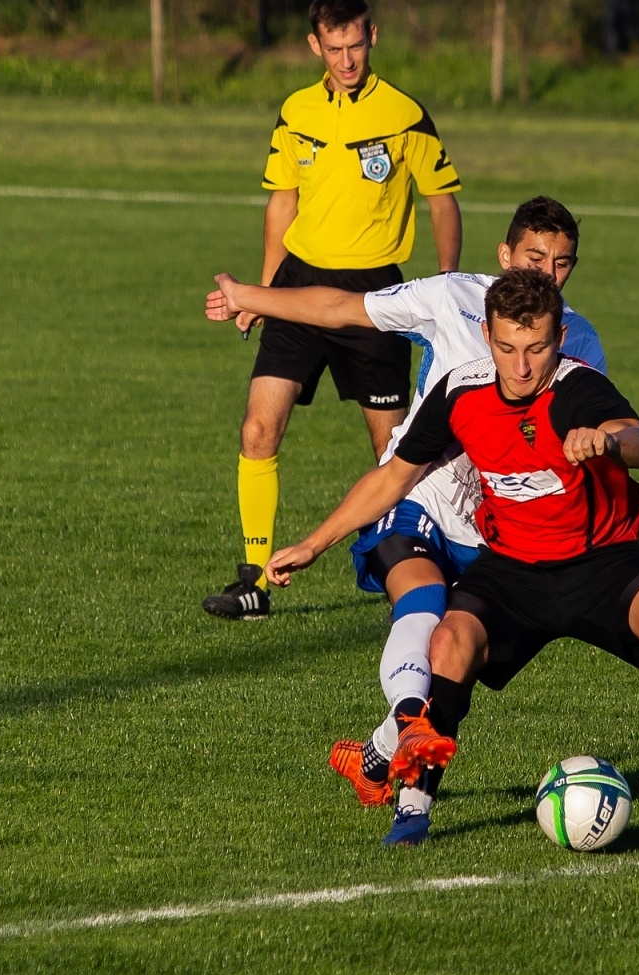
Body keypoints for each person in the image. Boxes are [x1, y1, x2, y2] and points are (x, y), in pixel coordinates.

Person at [265, 269, 639, 847]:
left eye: (536, 348)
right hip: (512, 571)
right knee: (449, 642)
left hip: (599, 562)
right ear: (486, 333)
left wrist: (609, 442)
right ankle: (414, 807)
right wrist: (313, 543)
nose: (521, 366)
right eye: (506, 347)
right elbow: (393, 478)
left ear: (558, 338)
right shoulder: (460, 390)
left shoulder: (578, 387)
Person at [206, 197, 603, 815]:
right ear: (504, 256)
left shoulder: (579, 341)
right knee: (419, 601)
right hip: (413, 494)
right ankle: (412, 808)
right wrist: (247, 296)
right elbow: (337, 308)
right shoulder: (452, 298)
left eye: (562, 263)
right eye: (534, 257)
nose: (547, 273)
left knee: (459, 663)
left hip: (496, 527)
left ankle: (377, 752)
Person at [202, 0, 464, 621]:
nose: (347, 60)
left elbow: (443, 200)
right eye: (334, 47)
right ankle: (253, 580)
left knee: (393, 447)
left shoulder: (404, 115)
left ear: (372, 37)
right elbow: (281, 203)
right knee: (258, 429)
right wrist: (262, 295)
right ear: (315, 45)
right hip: (297, 287)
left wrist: (448, 286)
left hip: (375, 296)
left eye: (356, 46)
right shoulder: (297, 111)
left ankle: (414, 561)